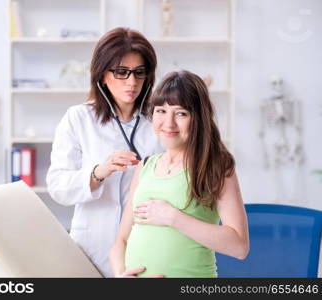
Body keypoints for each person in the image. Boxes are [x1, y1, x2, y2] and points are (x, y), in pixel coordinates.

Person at [46, 27, 164, 277]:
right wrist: (98, 172)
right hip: (91, 248)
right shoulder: (78, 119)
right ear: (102, 75)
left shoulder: (160, 121)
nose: (131, 82)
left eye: (139, 73)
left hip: (146, 244)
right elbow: (57, 186)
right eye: (121, 72)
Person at [110, 70, 249, 278]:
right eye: (161, 111)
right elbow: (121, 240)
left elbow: (239, 246)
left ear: (198, 118)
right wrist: (121, 274)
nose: (169, 123)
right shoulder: (146, 166)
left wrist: (172, 217)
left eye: (181, 113)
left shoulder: (215, 167)